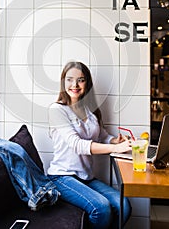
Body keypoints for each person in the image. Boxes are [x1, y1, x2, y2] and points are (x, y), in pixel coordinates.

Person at [47, 61, 132, 229]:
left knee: (124, 206)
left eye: (81, 80)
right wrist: (115, 149)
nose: (75, 85)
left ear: (87, 83)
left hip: (86, 178)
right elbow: (77, 145)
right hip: (62, 177)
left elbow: (101, 135)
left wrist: (115, 141)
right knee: (101, 209)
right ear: (63, 82)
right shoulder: (57, 110)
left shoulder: (90, 110)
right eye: (70, 79)